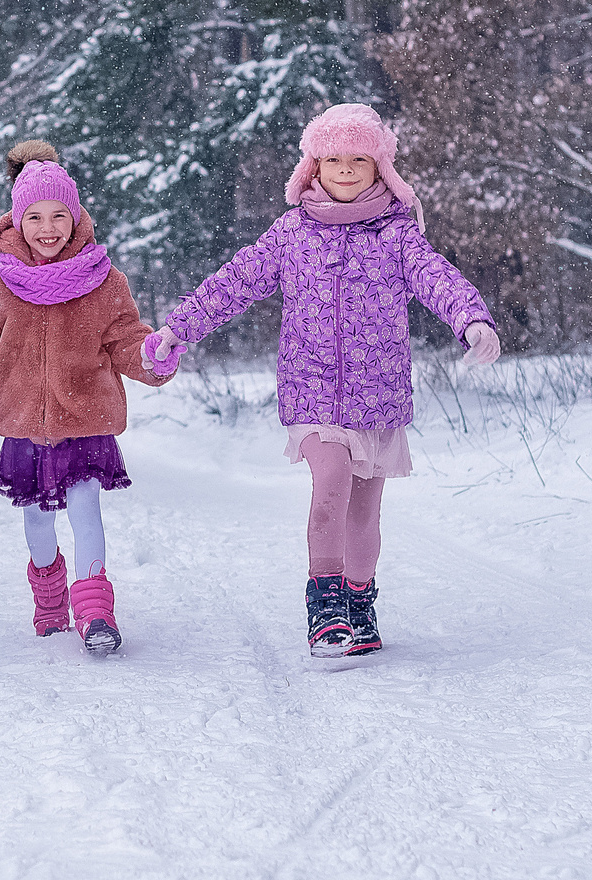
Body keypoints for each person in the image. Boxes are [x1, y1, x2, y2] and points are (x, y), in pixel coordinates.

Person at [145, 103, 500, 658]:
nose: (346, 169)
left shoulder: (397, 236)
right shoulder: (292, 234)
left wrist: (472, 319)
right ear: (312, 167)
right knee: (329, 485)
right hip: (312, 392)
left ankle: (361, 601)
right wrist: (179, 329)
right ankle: (325, 601)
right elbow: (235, 281)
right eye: (333, 158)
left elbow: (438, 277)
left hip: (377, 395)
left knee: (364, 512)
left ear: (380, 165)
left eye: (359, 158)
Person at [0, 141, 173, 656]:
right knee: (37, 520)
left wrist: (153, 356)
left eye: (59, 214)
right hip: (23, 426)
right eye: (34, 216)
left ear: (76, 216)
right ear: (16, 221)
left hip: (84, 418)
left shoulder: (103, 280)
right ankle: (51, 600)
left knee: (85, 512)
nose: (48, 227)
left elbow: (126, 341)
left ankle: (96, 611)